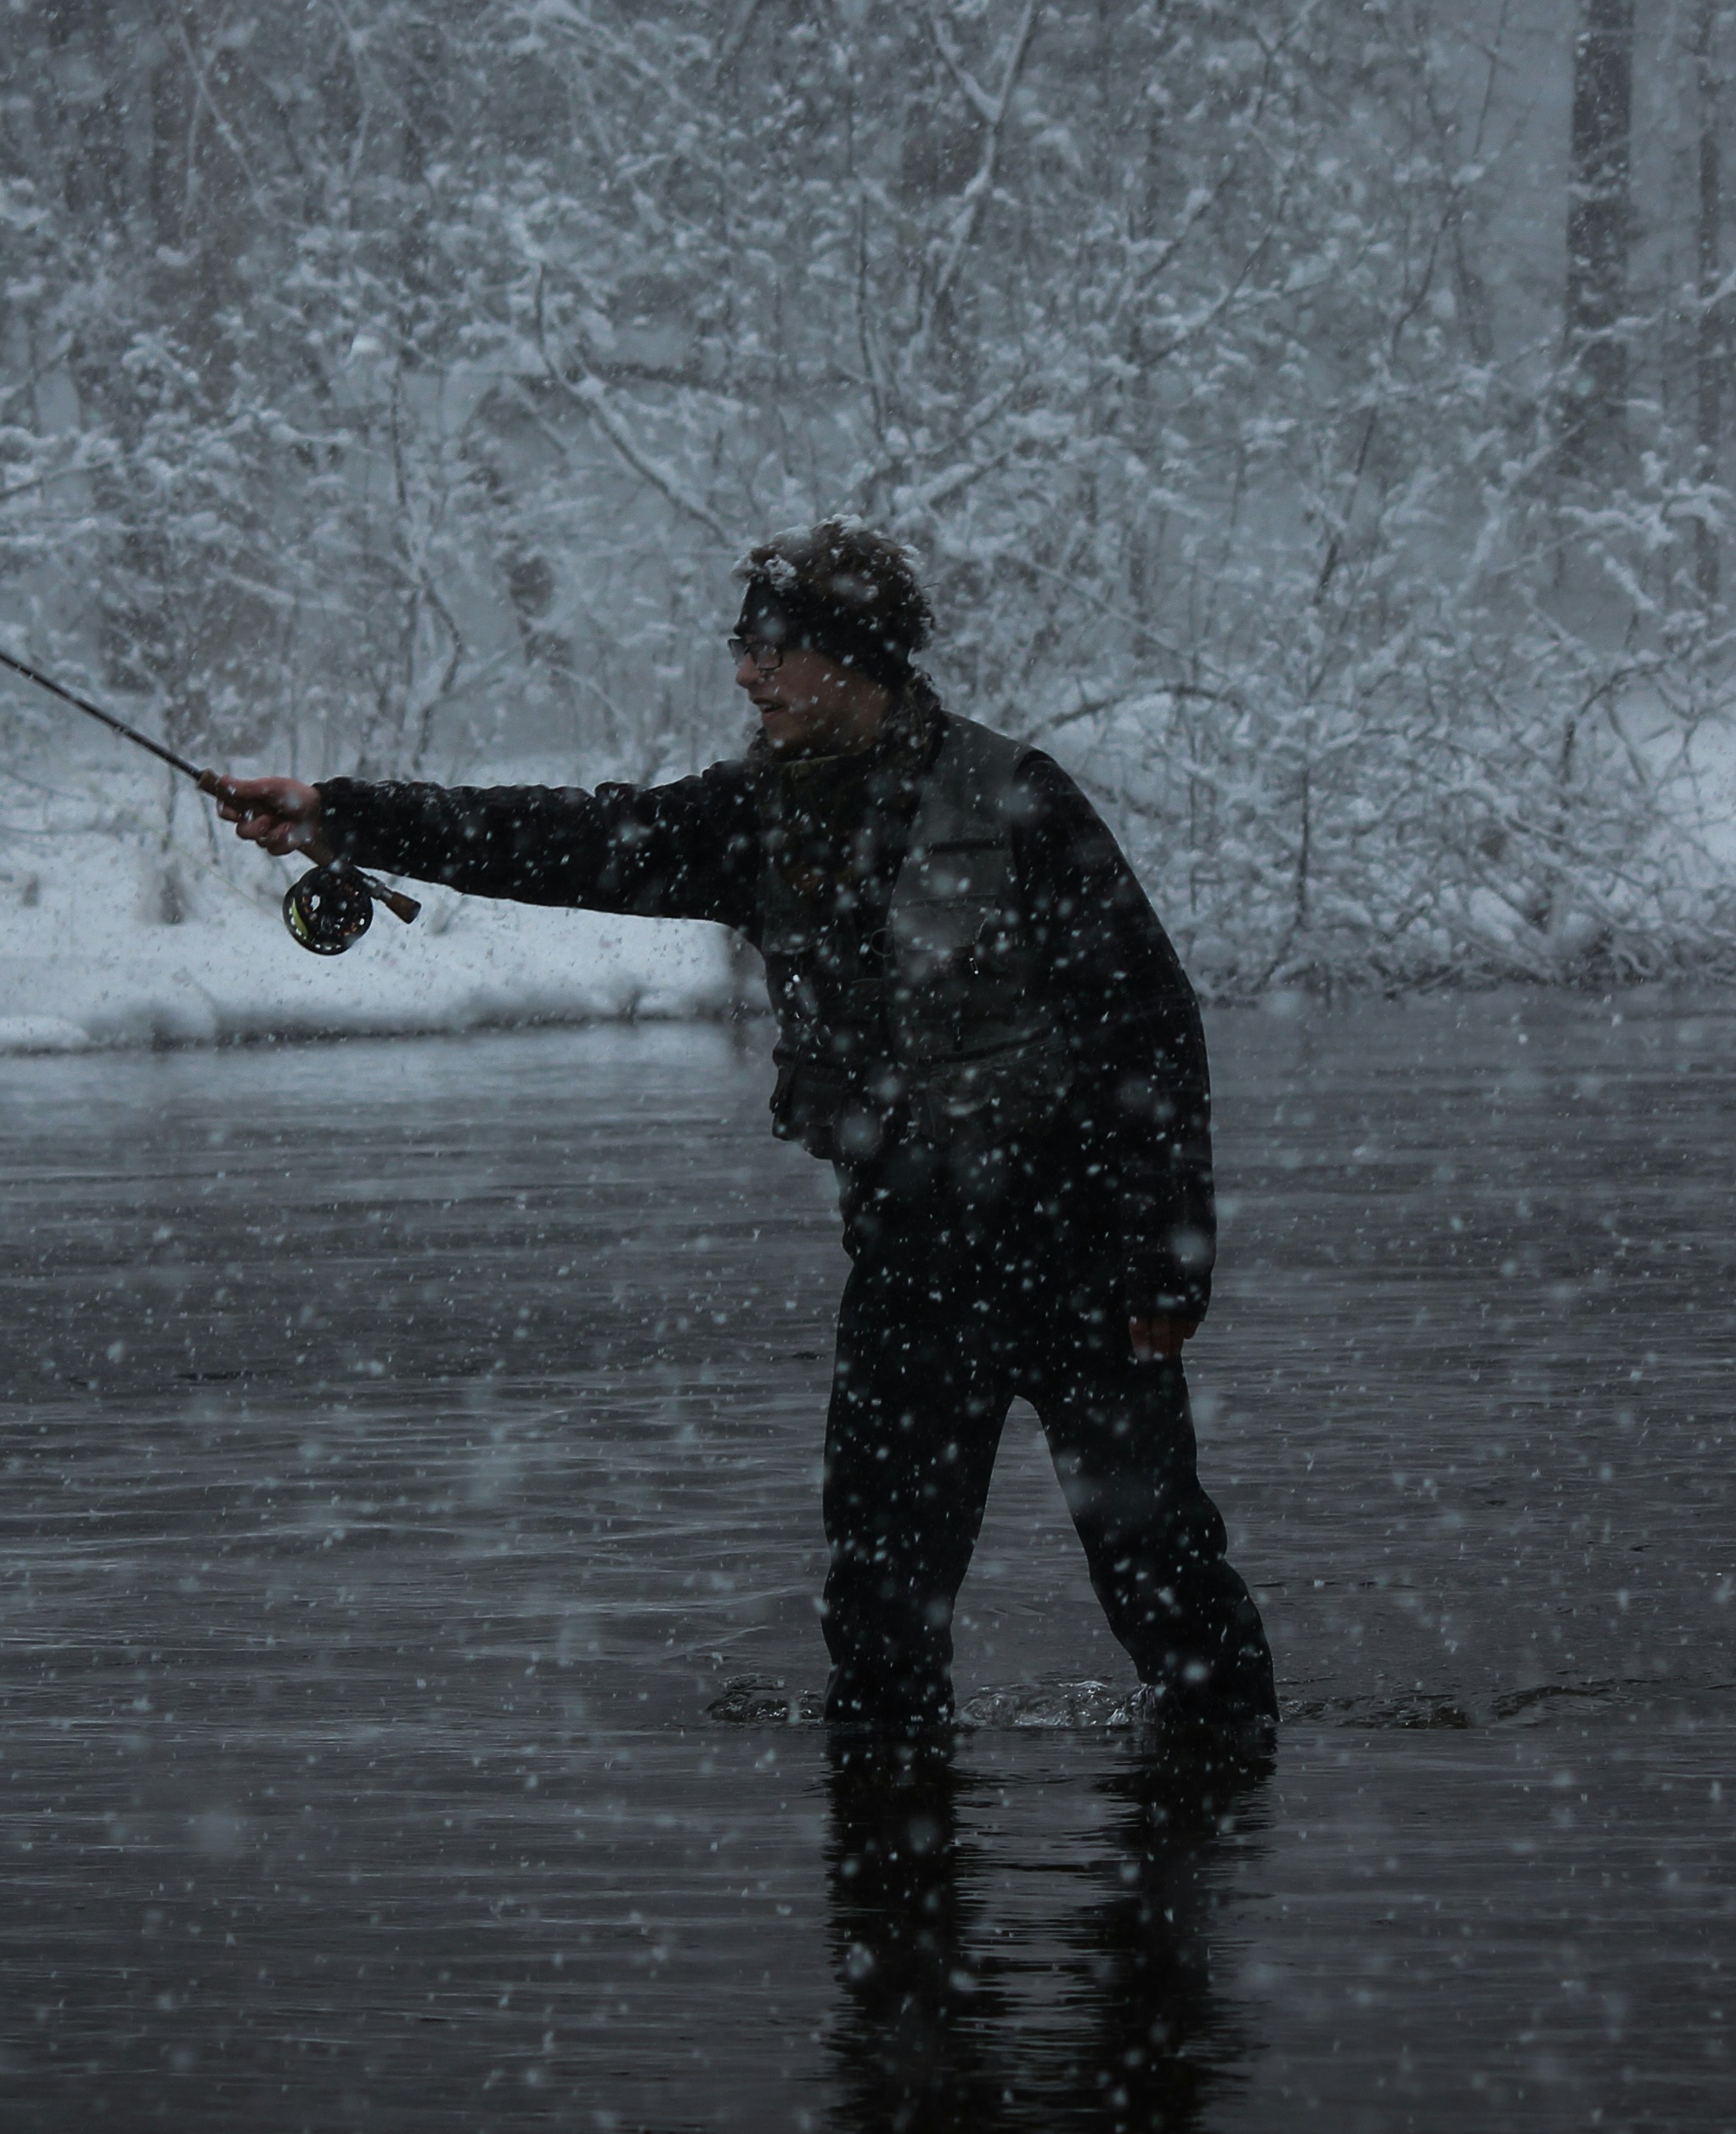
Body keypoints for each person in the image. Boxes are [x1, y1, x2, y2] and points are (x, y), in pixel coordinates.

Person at [203, 523, 1278, 1747]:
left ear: (856, 660)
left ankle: (1214, 1833)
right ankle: (896, 1873)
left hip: (1081, 1262)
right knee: (878, 1614)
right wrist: (341, 816)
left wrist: (1168, 1258)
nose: (746, 676)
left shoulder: (1020, 800)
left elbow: (1150, 1030)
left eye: (772, 651)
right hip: (912, 1268)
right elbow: (560, 838)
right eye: (742, 648)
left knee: (1165, 1582)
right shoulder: (756, 819)